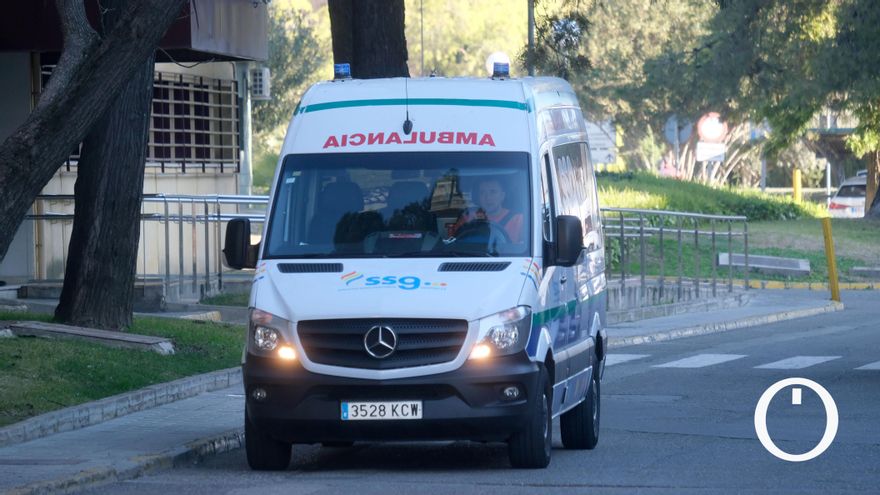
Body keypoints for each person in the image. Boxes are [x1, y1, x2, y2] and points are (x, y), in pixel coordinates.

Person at [450, 178, 524, 242]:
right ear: (478, 197)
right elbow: (453, 244)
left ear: (502, 196)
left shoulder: (518, 220)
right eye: (482, 193)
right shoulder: (467, 217)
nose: (487, 197)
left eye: (493, 192)